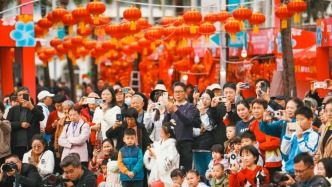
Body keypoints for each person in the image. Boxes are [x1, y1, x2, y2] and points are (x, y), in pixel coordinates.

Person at [163, 82, 198, 172]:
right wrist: (168, 113)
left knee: (185, 170)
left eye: (180, 91)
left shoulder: (190, 107)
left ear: (185, 93)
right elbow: (164, 125)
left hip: (186, 142)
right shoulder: (171, 107)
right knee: (173, 171)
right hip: (172, 143)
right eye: (175, 92)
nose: (177, 94)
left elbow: (188, 121)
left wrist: (176, 110)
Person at [7, 86, 45, 160]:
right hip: (17, 144)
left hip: (32, 145)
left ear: (29, 96)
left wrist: (31, 106)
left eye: (24, 94)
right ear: (17, 97)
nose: (22, 97)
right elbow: (7, 124)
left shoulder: (36, 108)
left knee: (31, 164)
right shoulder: (12, 110)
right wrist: (20, 124)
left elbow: (41, 117)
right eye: (20, 95)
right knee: (18, 164)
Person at [280, 107, 320, 173]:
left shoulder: (313, 135)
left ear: (310, 120)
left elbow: (309, 153)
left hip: (303, 171)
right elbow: (285, 151)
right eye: (297, 120)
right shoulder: (294, 134)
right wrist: (287, 135)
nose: (298, 122)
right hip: (289, 169)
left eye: (301, 119)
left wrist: (300, 138)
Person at [250, 99, 282, 176]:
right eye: (254, 108)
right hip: (257, 160)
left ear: (265, 110)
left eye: (258, 108)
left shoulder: (272, 123)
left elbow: (277, 142)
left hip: (272, 161)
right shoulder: (252, 125)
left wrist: (258, 146)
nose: (256, 111)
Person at [143, 123, 179, 187]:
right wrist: (151, 154)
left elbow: (171, 160)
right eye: (160, 132)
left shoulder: (171, 146)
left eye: (162, 133)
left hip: (167, 173)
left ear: (168, 135)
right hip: (157, 172)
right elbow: (155, 154)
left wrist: (158, 157)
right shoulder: (158, 143)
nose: (160, 134)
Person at [193, 89, 216, 181]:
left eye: (207, 98)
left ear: (211, 101)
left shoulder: (213, 111)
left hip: (209, 149)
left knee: (211, 175)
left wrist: (203, 112)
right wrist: (199, 131)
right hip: (196, 148)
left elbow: (209, 127)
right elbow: (189, 129)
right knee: (201, 176)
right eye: (202, 98)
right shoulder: (194, 111)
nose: (204, 100)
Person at [0, 102, 11, 166]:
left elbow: (8, 129)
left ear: (3, 112)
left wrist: (1, 123)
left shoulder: (6, 122)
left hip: (3, 154)